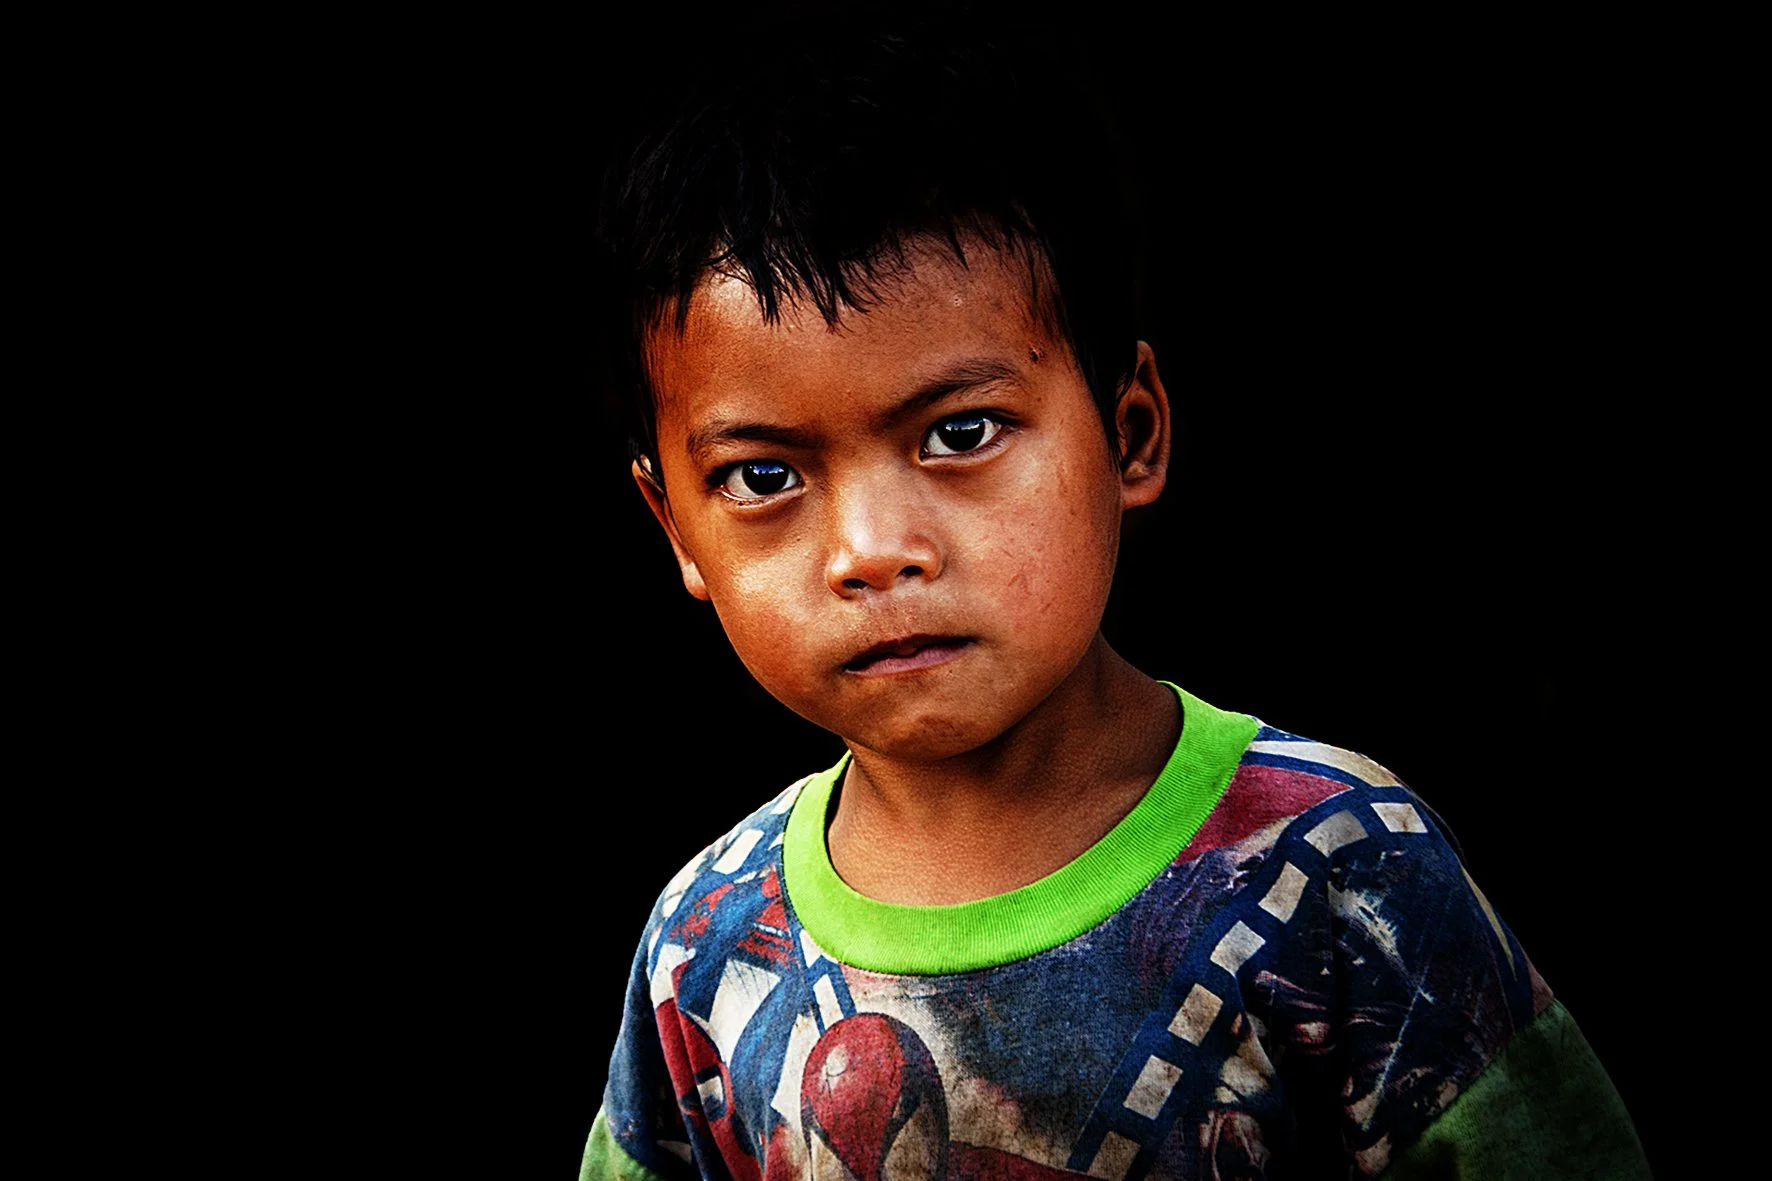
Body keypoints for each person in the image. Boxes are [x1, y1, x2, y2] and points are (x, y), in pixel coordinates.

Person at [582, 22, 1649, 1180]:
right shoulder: (703, 949)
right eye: (761, 477)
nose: (871, 552)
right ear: (674, 526)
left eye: (959, 432)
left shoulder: (1339, 869)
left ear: (1128, 434)